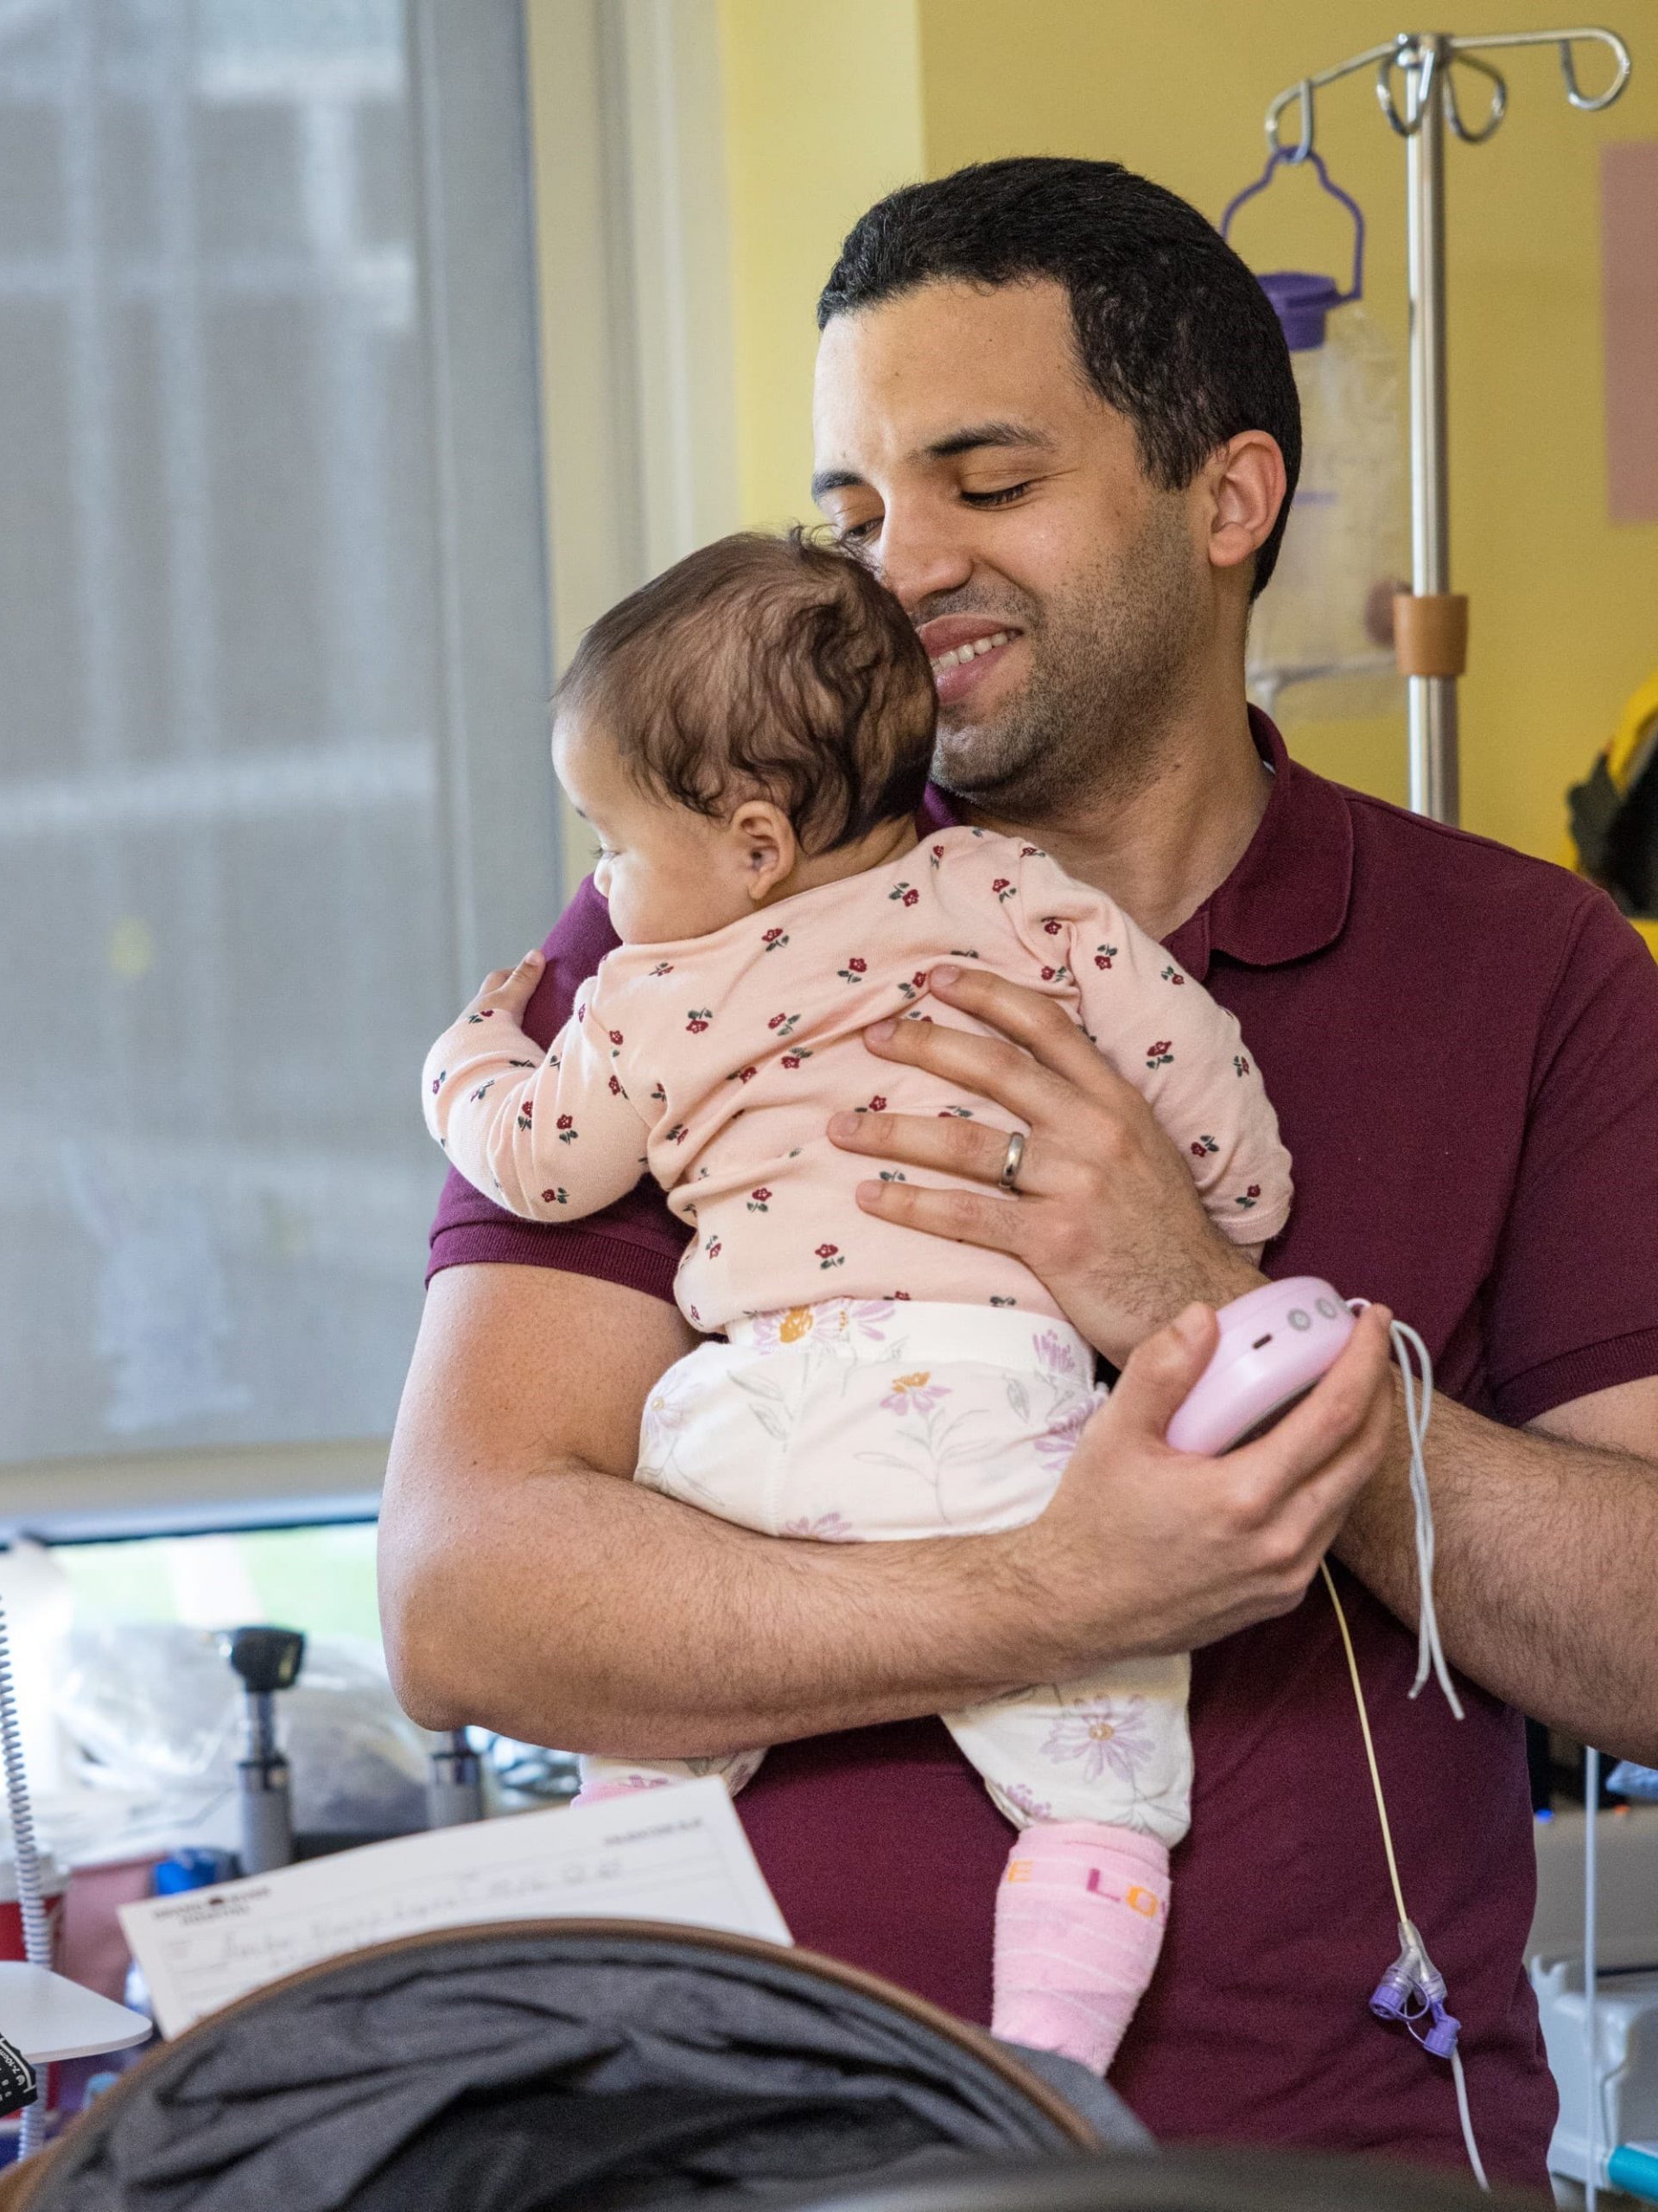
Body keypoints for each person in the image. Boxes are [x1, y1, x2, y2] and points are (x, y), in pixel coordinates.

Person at [380, 157, 1658, 2184]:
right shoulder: (686, 913)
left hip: (1314, 2163)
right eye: (855, 510)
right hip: (735, 2154)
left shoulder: (1526, 969)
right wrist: (1043, 1592)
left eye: (985, 481)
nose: (900, 569)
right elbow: (464, 1598)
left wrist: (1201, 1312)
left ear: (1226, 500)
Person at [425, 527, 1294, 2069]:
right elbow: (1207, 1097)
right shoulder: (1021, 898)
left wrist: (466, 1062)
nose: (598, 883)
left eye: (608, 841)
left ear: (755, 843)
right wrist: (1217, 1221)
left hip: (751, 1423)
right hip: (995, 1411)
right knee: (1097, 1781)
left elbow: (538, 1165)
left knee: (648, 1733)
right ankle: (1049, 2070)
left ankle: (655, 1993)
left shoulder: (647, 990)